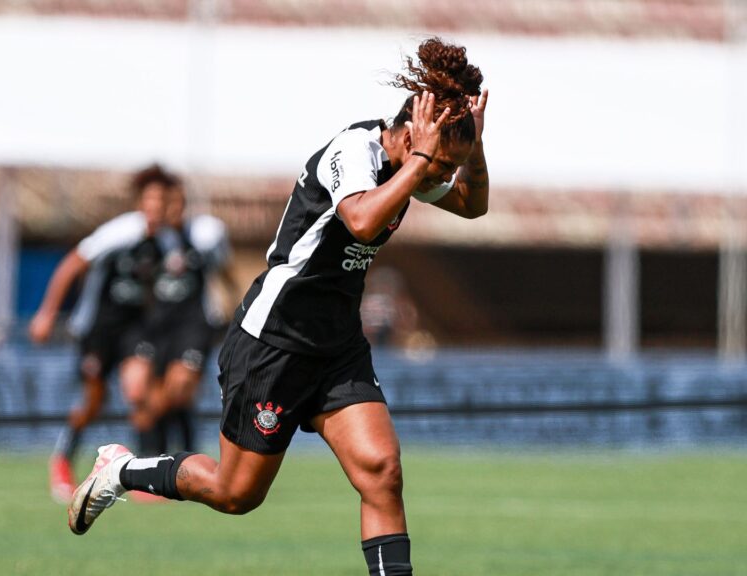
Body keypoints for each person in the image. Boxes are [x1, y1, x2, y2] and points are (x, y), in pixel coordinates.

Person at [67, 37, 490, 576]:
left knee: (381, 471)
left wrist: (471, 152)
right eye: (437, 165)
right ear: (411, 134)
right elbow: (359, 219)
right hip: (273, 340)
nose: (438, 178)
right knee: (235, 493)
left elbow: (472, 207)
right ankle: (122, 468)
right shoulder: (354, 152)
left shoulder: (416, 164)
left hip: (336, 347)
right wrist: (424, 163)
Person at [28, 165, 171, 502]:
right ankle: (62, 460)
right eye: (151, 199)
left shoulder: (165, 241)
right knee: (93, 402)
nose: (157, 206)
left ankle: (146, 477)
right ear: (140, 202)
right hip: (96, 329)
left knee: (139, 392)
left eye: (163, 200)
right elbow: (71, 265)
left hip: (132, 330)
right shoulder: (119, 233)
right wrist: (47, 314)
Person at [132, 181, 238, 455]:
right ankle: (168, 458)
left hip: (194, 326)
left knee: (178, 388)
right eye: (168, 203)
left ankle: (152, 441)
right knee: (169, 396)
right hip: (158, 329)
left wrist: (236, 306)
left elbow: (226, 273)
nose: (174, 209)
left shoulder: (203, 238)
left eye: (179, 203)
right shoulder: (146, 242)